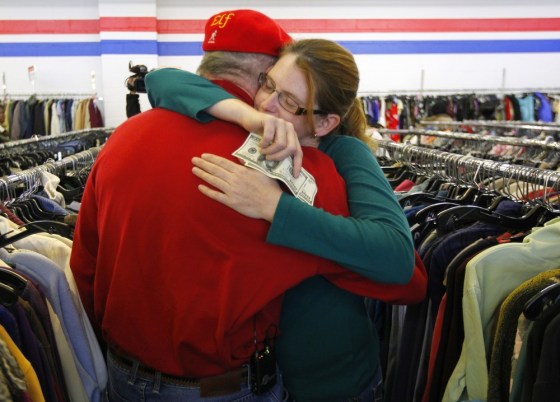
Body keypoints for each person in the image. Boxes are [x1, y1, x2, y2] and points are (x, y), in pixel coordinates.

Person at [70, 10, 423, 402]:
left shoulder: (122, 140)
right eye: (271, 86)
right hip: (226, 387)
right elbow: (399, 278)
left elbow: (84, 267)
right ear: (262, 75)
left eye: (287, 98)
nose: (271, 103)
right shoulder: (292, 166)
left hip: (124, 376)